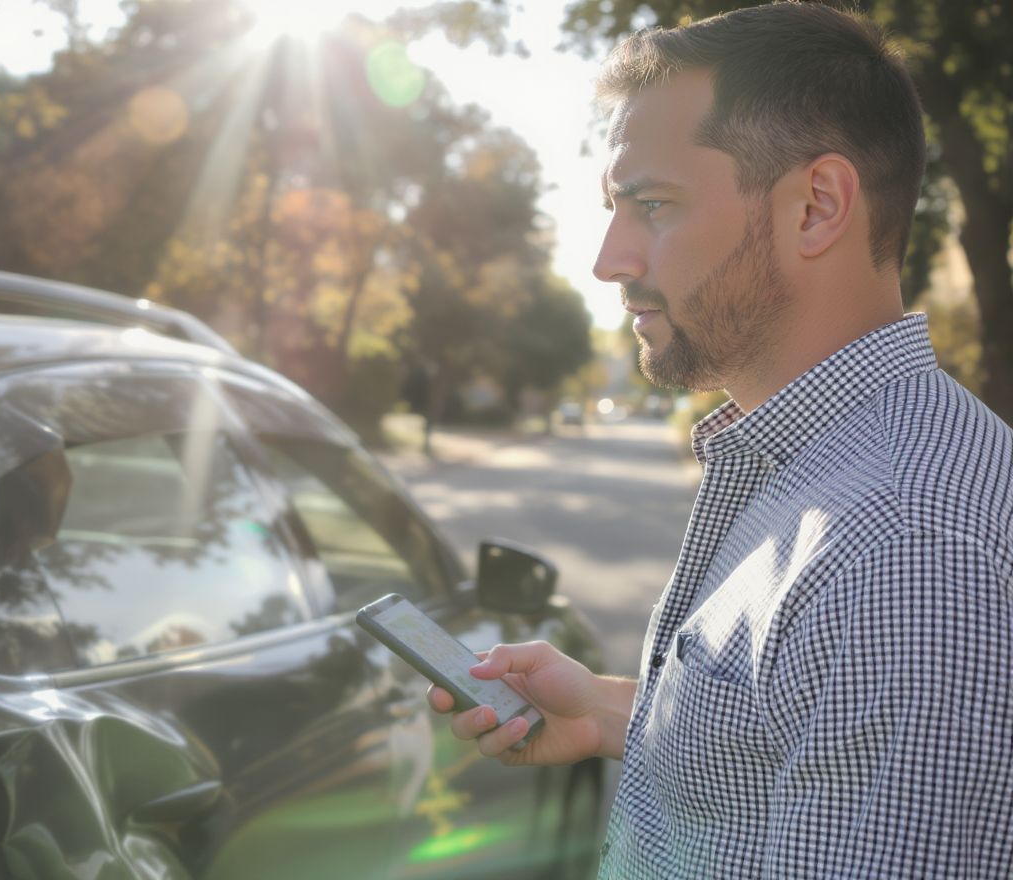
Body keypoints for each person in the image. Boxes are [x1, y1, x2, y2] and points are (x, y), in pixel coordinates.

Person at [427, 3, 1013, 877]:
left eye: (652, 205)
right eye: (614, 208)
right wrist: (612, 713)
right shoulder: (826, 471)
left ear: (817, 207)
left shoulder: (905, 552)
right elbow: (795, 726)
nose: (609, 260)